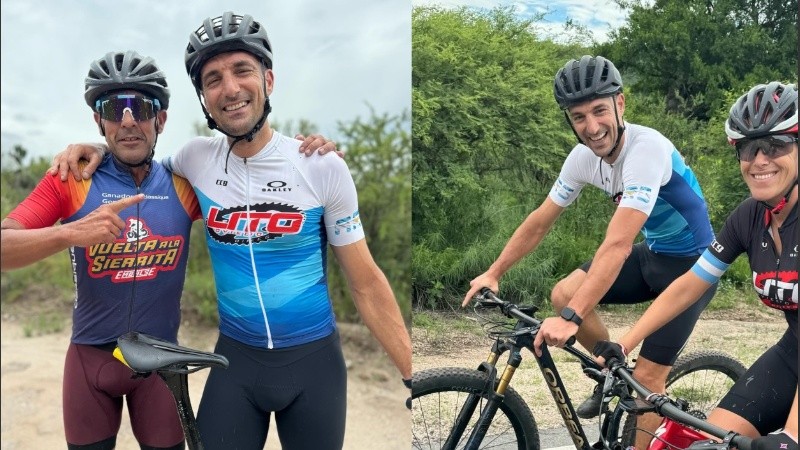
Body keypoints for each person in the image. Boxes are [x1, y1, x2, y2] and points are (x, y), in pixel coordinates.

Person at [51, 12, 412, 450]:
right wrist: (94, 147)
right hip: (235, 362)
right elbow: (137, 165)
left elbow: (367, 283)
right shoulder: (194, 160)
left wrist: (414, 373)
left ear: (269, 80)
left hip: (314, 361)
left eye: (242, 70)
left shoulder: (321, 166)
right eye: (213, 79)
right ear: (204, 98)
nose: (230, 88)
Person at [462, 55, 717, 449]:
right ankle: (613, 371)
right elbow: (541, 220)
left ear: (620, 104)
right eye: (579, 117)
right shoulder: (583, 158)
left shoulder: (646, 150)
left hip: (693, 269)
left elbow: (616, 245)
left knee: (648, 380)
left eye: (599, 110)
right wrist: (494, 271)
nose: (592, 127)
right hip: (654, 255)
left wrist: (571, 319)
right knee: (564, 292)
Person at [1, 50, 196, 450]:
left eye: (140, 107)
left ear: (160, 119)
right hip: (90, 363)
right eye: (113, 107)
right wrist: (68, 234)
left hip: (161, 363)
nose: (127, 120)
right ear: (99, 120)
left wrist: (309, 156)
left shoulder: (186, 184)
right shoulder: (71, 178)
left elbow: (253, 183)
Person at [593, 81, 798, 449]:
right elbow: (691, 283)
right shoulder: (749, 217)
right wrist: (624, 344)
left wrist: (793, 433)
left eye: (776, 145)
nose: (760, 159)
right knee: (708, 444)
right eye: (749, 148)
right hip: (793, 351)